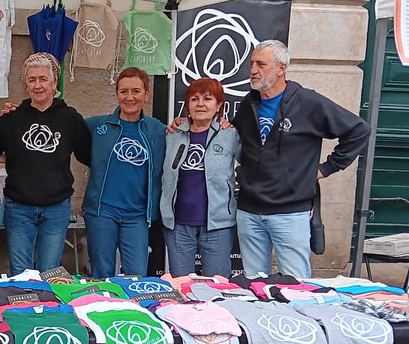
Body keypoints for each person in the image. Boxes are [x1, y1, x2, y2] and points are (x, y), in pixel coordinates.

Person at [231, 39, 370, 278]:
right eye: (251, 63)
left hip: (290, 213)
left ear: (281, 68)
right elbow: (233, 137)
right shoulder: (249, 103)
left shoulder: (307, 102)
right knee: (254, 285)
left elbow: (358, 130)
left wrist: (327, 168)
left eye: (261, 64)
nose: (253, 70)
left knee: (296, 286)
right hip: (248, 211)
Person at [0, 53, 91, 275]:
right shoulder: (10, 119)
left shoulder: (71, 118)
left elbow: (88, 155)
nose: (38, 85)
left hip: (56, 209)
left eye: (44, 79)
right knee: (20, 272)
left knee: (50, 272)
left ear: (55, 83)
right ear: (25, 84)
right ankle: (22, 309)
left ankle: (47, 310)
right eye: (32, 79)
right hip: (19, 208)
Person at [83, 67, 166, 277]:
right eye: (123, 91)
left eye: (136, 91)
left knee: (136, 277)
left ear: (146, 95)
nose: (129, 97)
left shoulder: (158, 130)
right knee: (102, 275)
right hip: (102, 212)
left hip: (137, 216)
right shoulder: (98, 126)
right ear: (117, 94)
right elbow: (62, 126)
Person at [161, 77, 240, 277]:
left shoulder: (230, 134)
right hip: (178, 224)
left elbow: (253, 165)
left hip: (217, 225)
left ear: (219, 105)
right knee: (181, 286)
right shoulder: (173, 133)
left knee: (217, 287)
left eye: (208, 99)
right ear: (187, 104)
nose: (201, 104)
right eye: (194, 99)